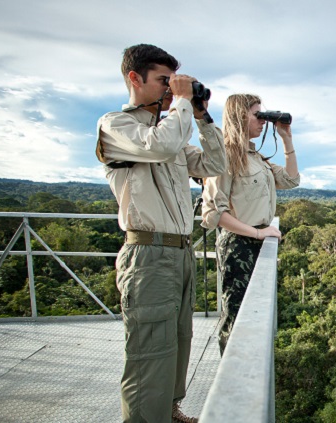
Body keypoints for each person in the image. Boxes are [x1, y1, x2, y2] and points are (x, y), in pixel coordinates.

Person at [95, 44, 227, 423]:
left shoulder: (171, 128)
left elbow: (214, 164)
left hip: (180, 252)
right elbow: (161, 146)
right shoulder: (116, 126)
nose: (171, 90)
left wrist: (202, 117)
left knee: (178, 343)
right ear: (134, 78)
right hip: (148, 253)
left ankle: (168, 411)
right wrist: (182, 104)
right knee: (149, 353)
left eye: (174, 82)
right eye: (163, 81)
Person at [201, 94, 300, 355]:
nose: (263, 122)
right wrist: (257, 232)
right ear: (238, 116)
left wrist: (286, 139)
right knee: (236, 316)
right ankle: (231, 379)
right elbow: (213, 213)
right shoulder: (224, 156)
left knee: (254, 316)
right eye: (258, 115)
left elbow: (291, 180)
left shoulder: (255, 157)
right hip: (239, 245)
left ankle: (249, 376)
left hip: (257, 243)